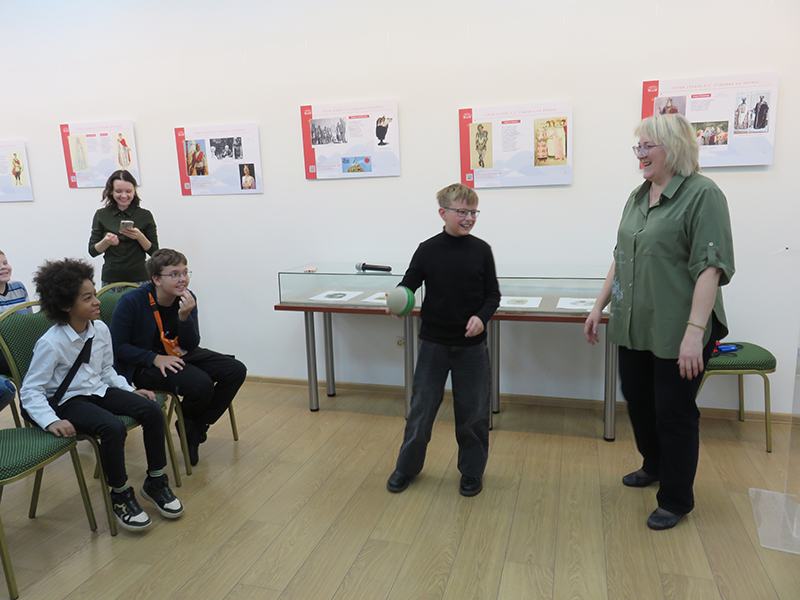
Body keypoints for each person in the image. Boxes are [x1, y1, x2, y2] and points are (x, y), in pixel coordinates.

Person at [583, 114, 734, 531]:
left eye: (647, 146)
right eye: (639, 147)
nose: (640, 154)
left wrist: (695, 333)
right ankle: (653, 464)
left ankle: (675, 498)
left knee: (674, 412)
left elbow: (711, 267)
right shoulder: (638, 195)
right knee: (638, 400)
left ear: (675, 147)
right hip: (634, 322)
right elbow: (621, 256)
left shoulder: (703, 194)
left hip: (679, 327)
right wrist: (599, 306)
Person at [19, 258, 183, 531]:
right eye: (88, 298)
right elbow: (31, 390)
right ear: (66, 306)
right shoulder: (51, 343)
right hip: (67, 401)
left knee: (152, 409)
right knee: (112, 427)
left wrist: (130, 390)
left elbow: (106, 370)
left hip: (98, 390)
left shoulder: (100, 329)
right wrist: (50, 420)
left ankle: (156, 481)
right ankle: (120, 493)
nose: (97, 302)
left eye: (94, 294)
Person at [386, 183, 500, 497]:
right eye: (462, 212)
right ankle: (406, 467)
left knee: (474, 413)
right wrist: (397, 300)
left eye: (473, 212)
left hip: (472, 349)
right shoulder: (427, 249)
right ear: (443, 213)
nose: (469, 218)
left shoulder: (481, 250)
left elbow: (492, 295)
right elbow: (408, 284)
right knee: (421, 410)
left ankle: (472, 472)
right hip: (433, 344)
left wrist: (481, 317)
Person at [110, 248, 247, 466]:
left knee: (235, 370)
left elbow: (191, 344)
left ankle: (194, 424)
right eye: (174, 274)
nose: (182, 279)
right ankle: (191, 426)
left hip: (179, 353)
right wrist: (154, 359)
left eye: (185, 272)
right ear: (156, 279)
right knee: (201, 385)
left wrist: (184, 317)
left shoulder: (187, 298)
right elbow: (117, 347)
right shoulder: (132, 301)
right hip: (143, 364)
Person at [88, 170, 159, 287]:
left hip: (140, 277)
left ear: (135, 190)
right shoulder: (102, 215)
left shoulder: (145, 215)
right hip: (112, 278)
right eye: (118, 191)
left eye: (128, 191)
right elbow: (93, 251)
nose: (124, 196)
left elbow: (155, 252)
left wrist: (140, 237)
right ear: (111, 191)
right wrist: (106, 241)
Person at [0, 249, 31, 412]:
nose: (3, 267)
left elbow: (29, 323)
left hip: (22, 346)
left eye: (5, 263)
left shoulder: (18, 287)